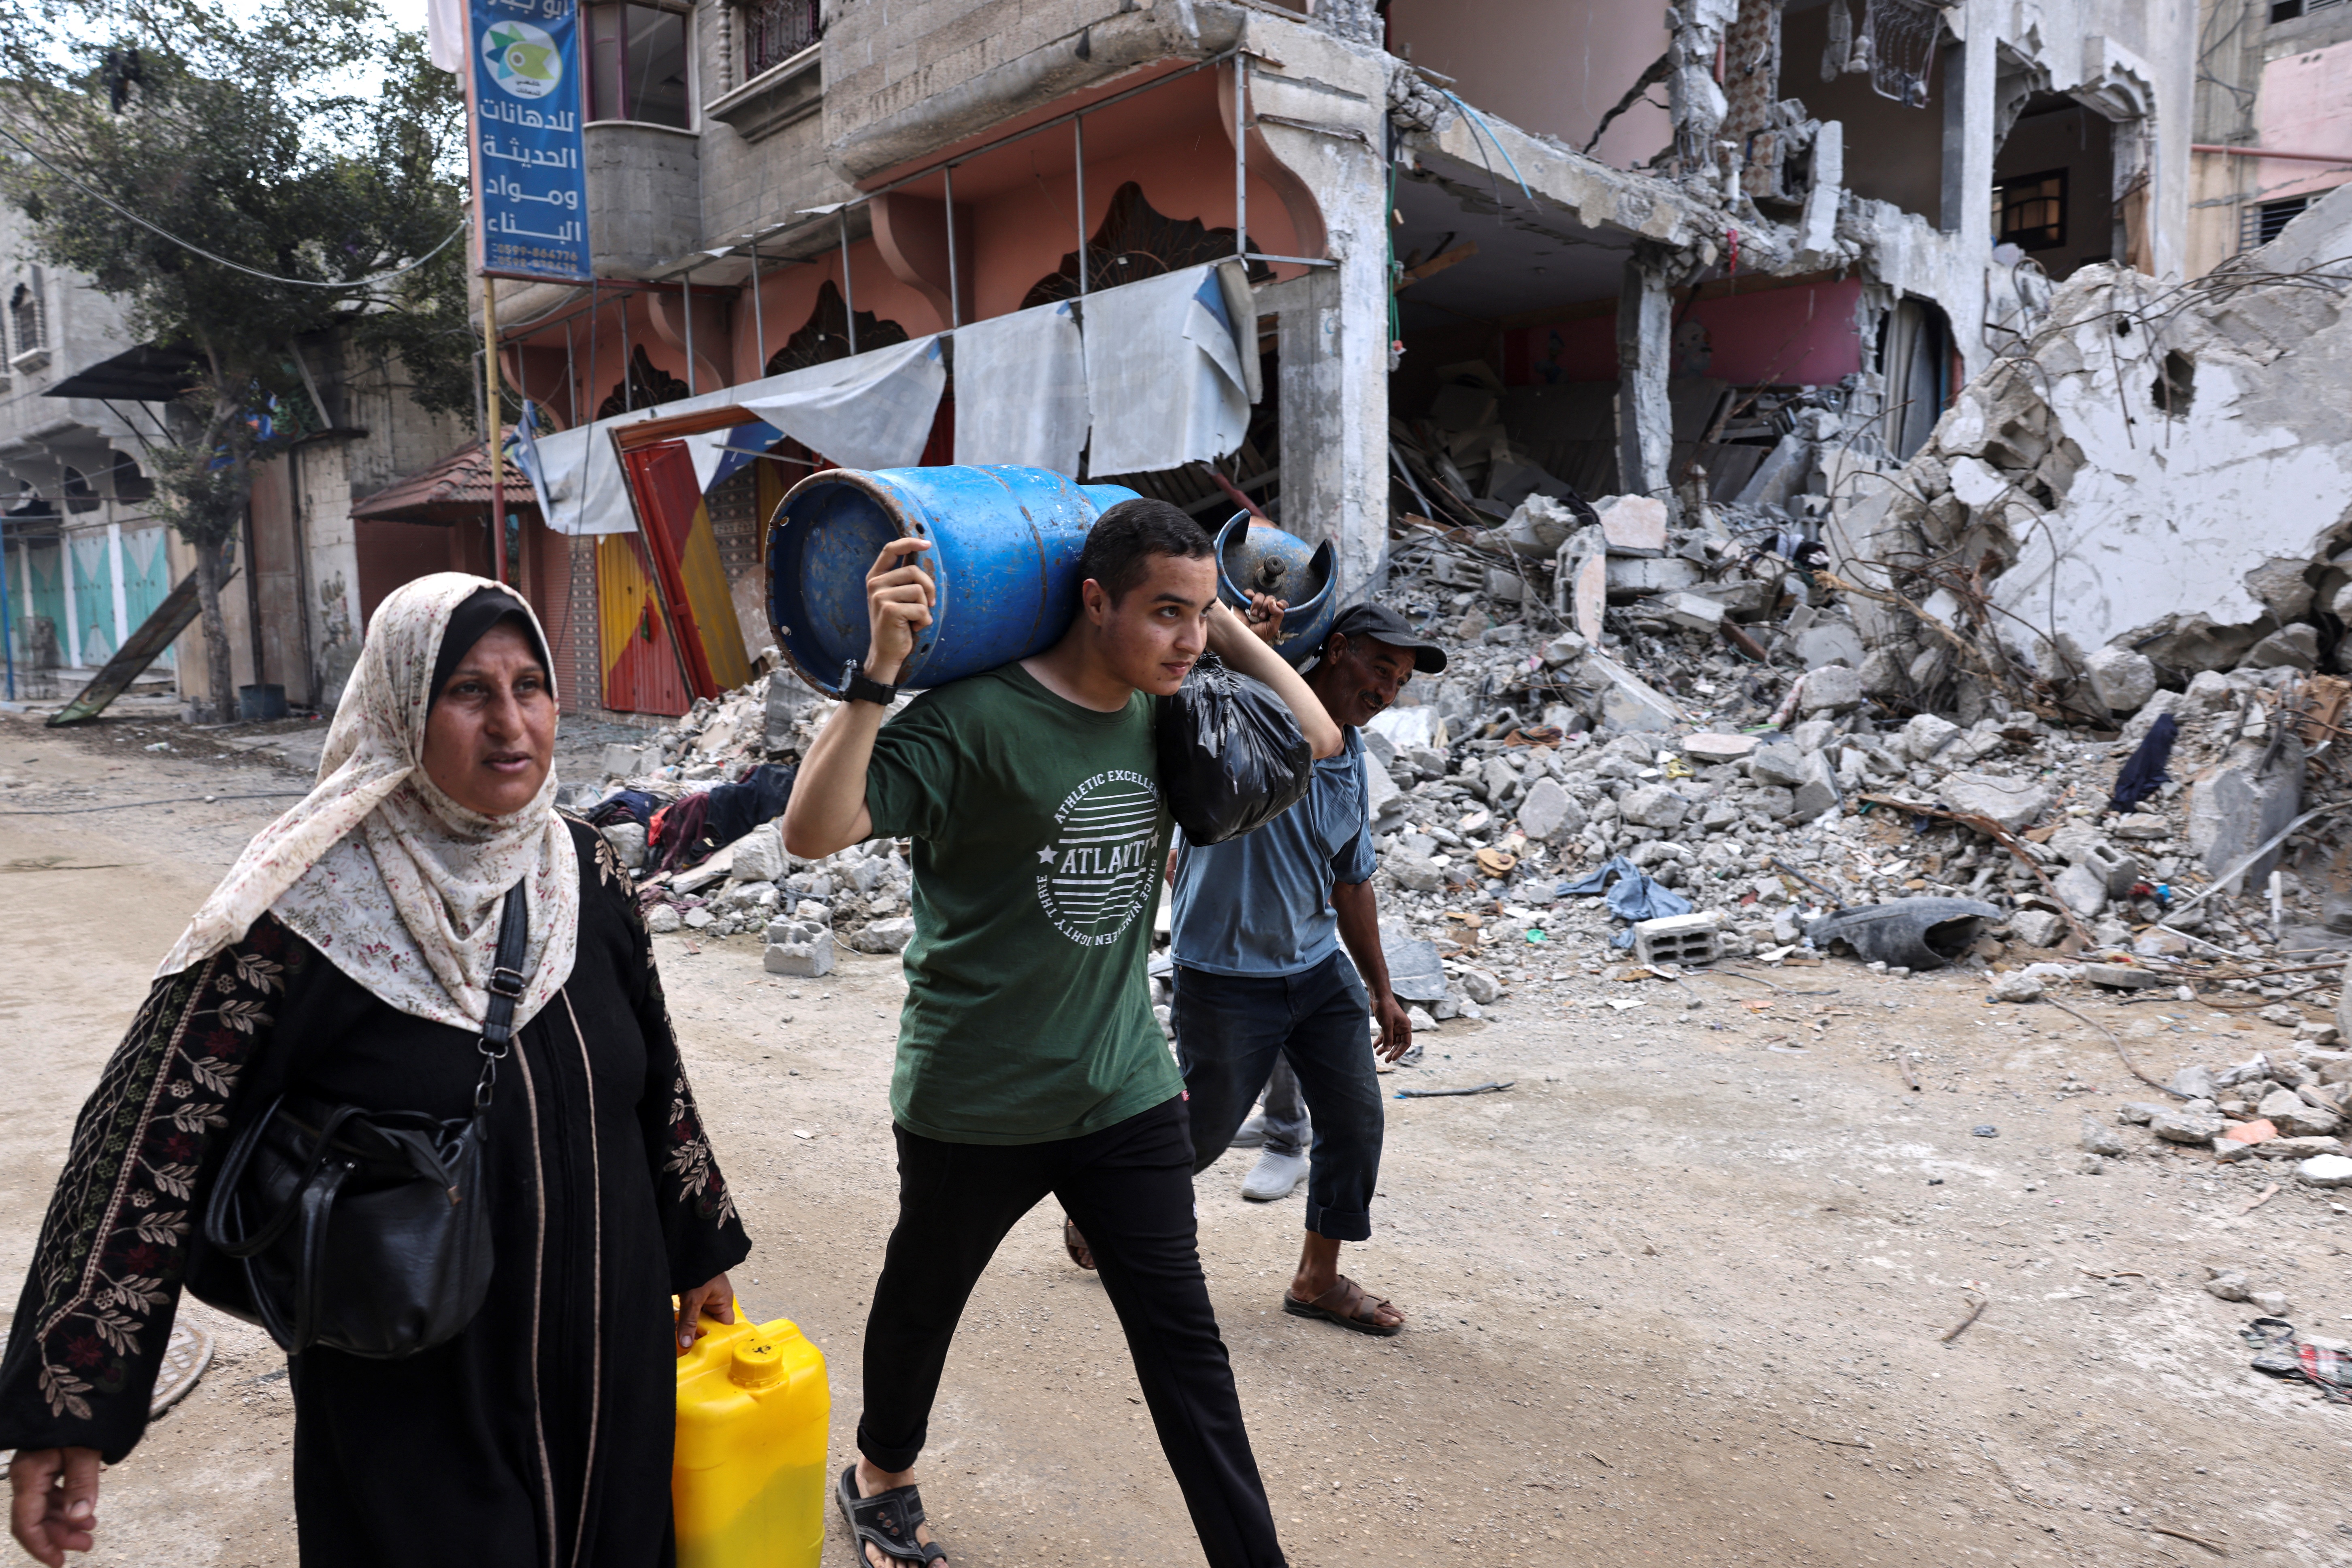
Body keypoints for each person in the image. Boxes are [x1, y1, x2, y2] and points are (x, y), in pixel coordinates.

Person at [1, 575, 750, 1568]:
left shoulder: (583, 871)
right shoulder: (301, 910)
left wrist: (697, 1245)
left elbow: (655, 1077)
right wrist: (72, 1396)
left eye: (530, 686)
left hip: (610, 1352)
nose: (510, 722)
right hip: (412, 1384)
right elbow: (146, 1137)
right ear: (401, 707)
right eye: (468, 692)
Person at [783, 499, 1339, 1568]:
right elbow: (813, 833)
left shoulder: (1169, 709)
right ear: (1094, 602)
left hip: (1121, 1087)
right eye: (1163, 613)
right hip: (974, 1098)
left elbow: (1315, 738)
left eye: (1201, 615)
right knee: (922, 1304)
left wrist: (1214, 629)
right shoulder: (974, 721)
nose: (1187, 638)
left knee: (1189, 1354)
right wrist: (874, 676)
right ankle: (880, 1476)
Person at [1073, 602, 1442, 1336]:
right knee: (1198, 1137)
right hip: (1225, 978)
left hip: (1314, 970)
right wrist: (1241, 640)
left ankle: (1317, 1279)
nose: (1386, 691)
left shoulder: (1350, 764)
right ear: (1335, 651)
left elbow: (1352, 879)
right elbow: (1179, 698)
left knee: (1356, 1120)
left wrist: (1382, 990)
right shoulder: (1248, 712)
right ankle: (1104, 1210)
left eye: (1400, 682)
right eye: (1379, 669)